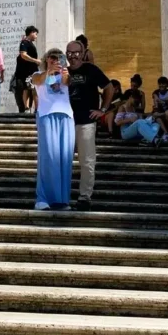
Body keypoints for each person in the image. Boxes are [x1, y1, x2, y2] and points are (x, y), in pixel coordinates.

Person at [66, 40, 112, 210]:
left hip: (86, 121)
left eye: (76, 52)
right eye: (69, 52)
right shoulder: (63, 72)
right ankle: (63, 195)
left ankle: (84, 196)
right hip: (66, 123)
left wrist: (103, 109)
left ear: (83, 52)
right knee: (63, 161)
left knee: (86, 161)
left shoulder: (91, 70)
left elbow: (109, 87)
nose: (73, 56)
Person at [31, 50, 75, 210]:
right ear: (46, 60)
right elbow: (37, 81)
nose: (56, 60)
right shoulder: (38, 74)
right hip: (46, 115)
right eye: (52, 58)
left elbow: (68, 82)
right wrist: (48, 71)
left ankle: (61, 200)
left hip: (66, 116)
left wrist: (63, 71)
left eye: (59, 58)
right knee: (48, 156)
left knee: (64, 158)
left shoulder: (66, 75)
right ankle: (42, 199)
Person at [13, 26, 40, 114]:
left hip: (32, 71)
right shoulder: (24, 43)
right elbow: (23, 55)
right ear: (31, 32)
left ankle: (33, 108)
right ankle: (28, 108)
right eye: (35, 34)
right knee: (29, 89)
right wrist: (35, 60)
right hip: (27, 72)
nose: (36, 36)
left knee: (30, 89)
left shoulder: (29, 43)